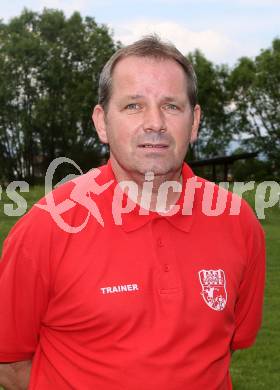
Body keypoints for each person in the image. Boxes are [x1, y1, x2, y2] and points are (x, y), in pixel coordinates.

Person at [0, 35, 265, 390]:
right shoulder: (47, 226)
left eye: (171, 106)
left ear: (195, 121)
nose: (155, 122)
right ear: (101, 121)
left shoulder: (238, 221)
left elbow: (222, 346)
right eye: (133, 106)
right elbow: (9, 362)